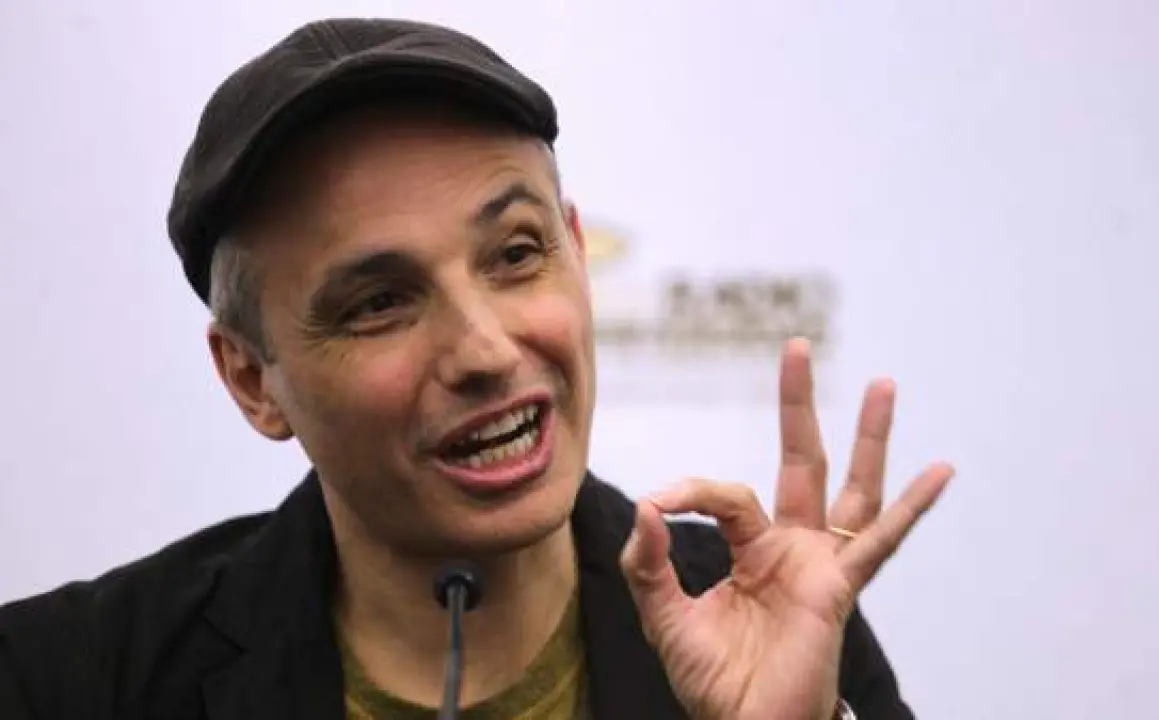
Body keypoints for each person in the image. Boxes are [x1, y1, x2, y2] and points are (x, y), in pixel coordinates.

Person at [0, 18, 953, 720]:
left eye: (516, 254)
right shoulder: (63, 679)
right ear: (252, 379)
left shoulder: (766, 618)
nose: (488, 351)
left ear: (575, 250)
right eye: (380, 302)